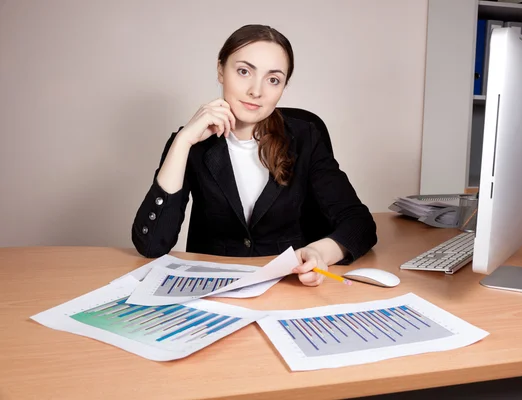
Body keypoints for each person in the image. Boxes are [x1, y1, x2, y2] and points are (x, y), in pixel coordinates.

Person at [131, 24, 377, 287]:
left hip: (287, 286)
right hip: (213, 288)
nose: (256, 91)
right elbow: (151, 246)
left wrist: (320, 252)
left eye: (273, 79)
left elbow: (359, 224)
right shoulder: (192, 142)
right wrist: (181, 143)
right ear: (220, 71)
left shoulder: (306, 137)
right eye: (244, 71)